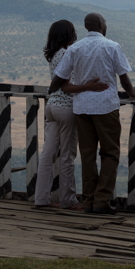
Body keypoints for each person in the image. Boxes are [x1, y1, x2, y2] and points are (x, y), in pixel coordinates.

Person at [50, 12, 135, 214]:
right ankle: (101, 200)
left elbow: (59, 78)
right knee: (110, 153)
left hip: (82, 108)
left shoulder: (75, 48)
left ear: (86, 27)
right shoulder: (112, 46)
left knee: (87, 155)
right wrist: (132, 92)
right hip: (106, 106)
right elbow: (124, 78)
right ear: (101, 25)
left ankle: (89, 201)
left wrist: (50, 90)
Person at [34, 19, 104, 210]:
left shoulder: (53, 54)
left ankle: (41, 198)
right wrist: (89, 86)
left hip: (51, 107)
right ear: (69, 34)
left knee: (48, 154)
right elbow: (67, 86)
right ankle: (68, 199)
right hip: (66, 108)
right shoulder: (66, 54)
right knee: (67, 155)